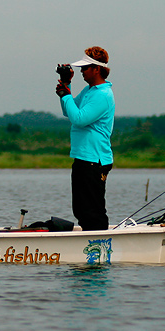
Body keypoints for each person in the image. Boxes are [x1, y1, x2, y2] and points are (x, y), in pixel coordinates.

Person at [56, 47, 115, 231]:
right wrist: (67, 86)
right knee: (81, 209)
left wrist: (66, 94)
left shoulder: (103, 95)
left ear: (96, 69)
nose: (81, 71)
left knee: (92, 210)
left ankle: (99, 245)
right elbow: (68, 110)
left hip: (94, 160)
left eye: (85, 68)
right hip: (83, 158)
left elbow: (79, 119)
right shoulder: (90, 90)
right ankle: (88, 245)